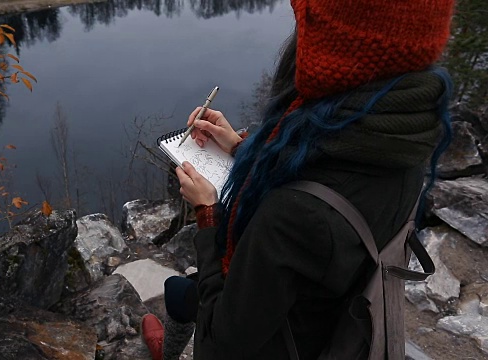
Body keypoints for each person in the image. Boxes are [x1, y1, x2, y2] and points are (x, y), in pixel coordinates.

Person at [142, 0, 456, 359]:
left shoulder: (295, 214)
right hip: (337, 313)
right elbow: (331, 168)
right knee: (182, 293)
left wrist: (207, 212)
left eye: (307, 26)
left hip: (285, 338)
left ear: (334, 50)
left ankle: (167, 354)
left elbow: (220, 346)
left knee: (178, 291)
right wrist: (244, 149)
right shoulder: (408, 143)